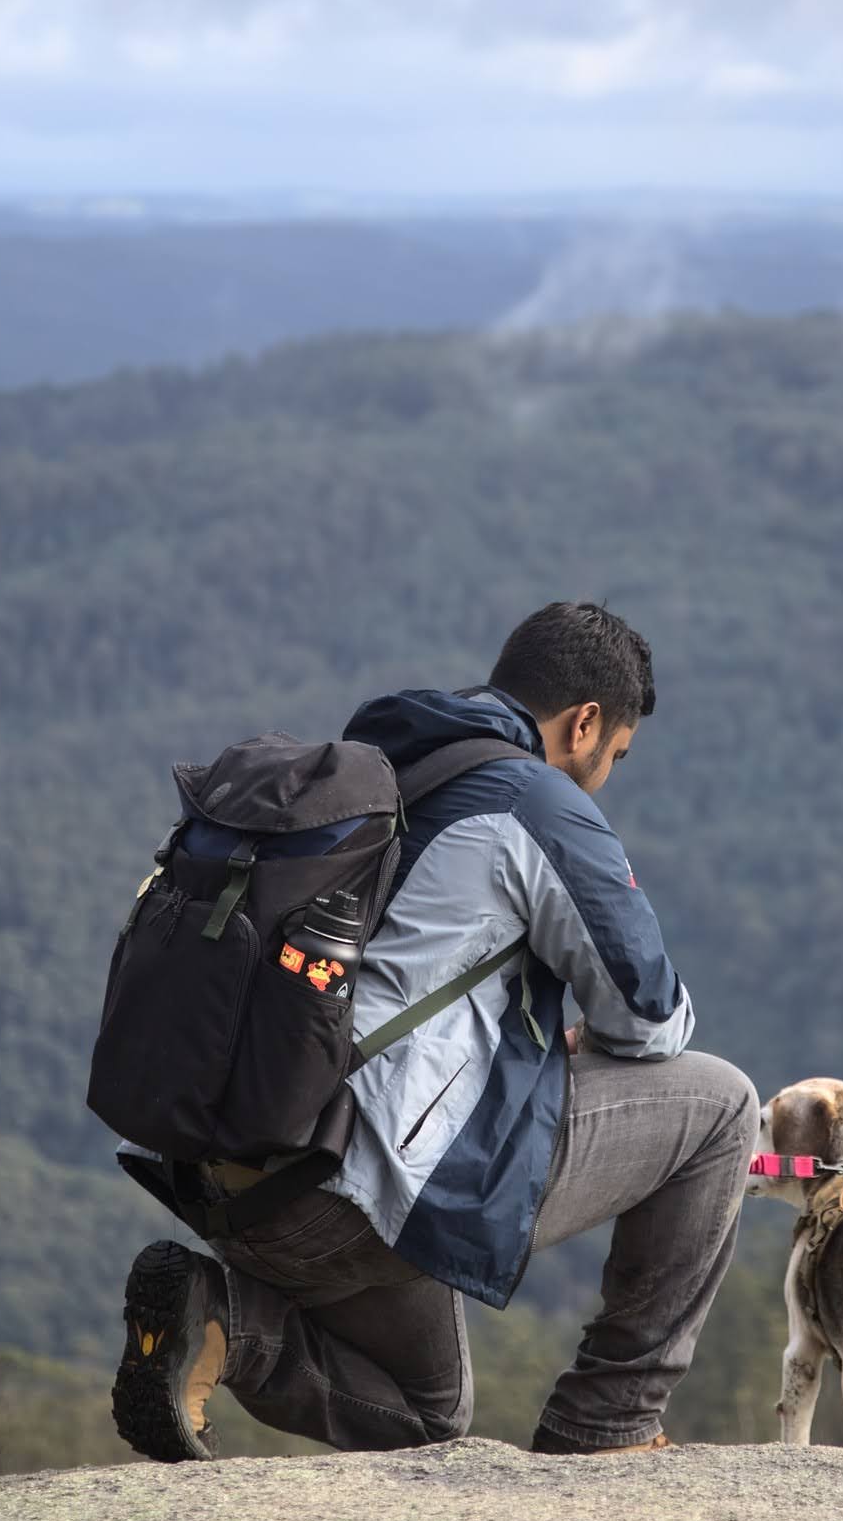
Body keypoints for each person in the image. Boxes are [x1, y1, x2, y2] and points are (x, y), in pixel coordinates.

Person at [111, 601, 760, 1458]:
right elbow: (645, 1018)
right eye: (615, 757)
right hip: (354, 1193)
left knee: (425, 1416)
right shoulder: (538, 803)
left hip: (239, 1175)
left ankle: (220, 1315)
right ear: (587, 723)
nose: (605, 776)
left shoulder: (380, 769)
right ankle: (609, 1420)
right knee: (722, 1105)